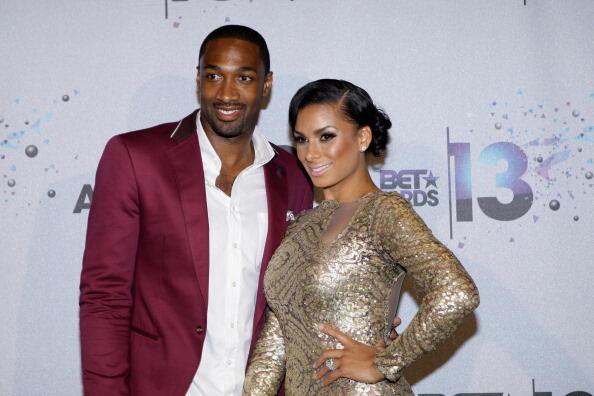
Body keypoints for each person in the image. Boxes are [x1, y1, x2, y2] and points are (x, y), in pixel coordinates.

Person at [78, 25, 314, 396]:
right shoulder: (135, 158)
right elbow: (105, 296)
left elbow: (294, 301)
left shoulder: (293, 175)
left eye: (244, 77)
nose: (226, 92)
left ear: (266, 85)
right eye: (214, 75)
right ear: (198, 79)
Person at [243, 79, 480, 395]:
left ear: (363, 137)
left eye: (326, 137)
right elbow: (274, 344)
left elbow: (457, 292)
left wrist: (385, 363)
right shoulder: (299, 226)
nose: (311, 153)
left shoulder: (383, 212)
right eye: (301, 139)